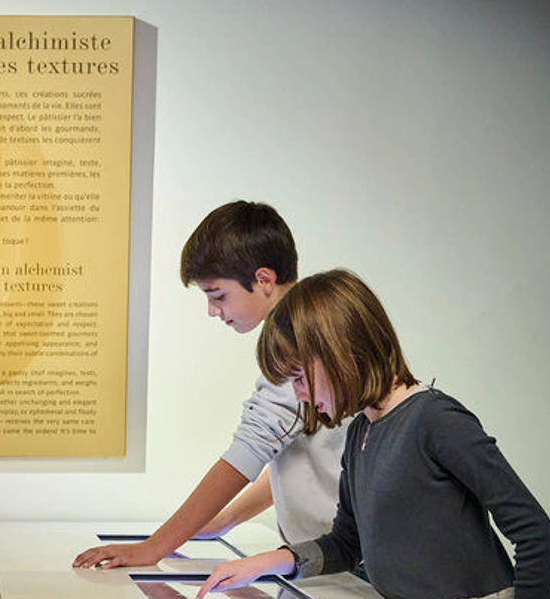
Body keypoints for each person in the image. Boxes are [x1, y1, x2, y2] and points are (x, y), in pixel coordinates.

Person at [194, 269, 550, 599]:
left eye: (298, 378)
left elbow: (536, 534)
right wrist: (266, 563)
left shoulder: (436, 420)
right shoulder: (361, 432)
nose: (296, 395)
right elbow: (347, 543)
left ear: (343, 353)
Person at [74, 201, 349, 568]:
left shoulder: (300, 343)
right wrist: (224, 520)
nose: (213, 310)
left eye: (218, 295)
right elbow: (295, 452)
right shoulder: (311, 329)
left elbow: (250, 449)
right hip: (334, 555)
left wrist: (154, 547)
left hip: (344, 555)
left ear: (264, 280)